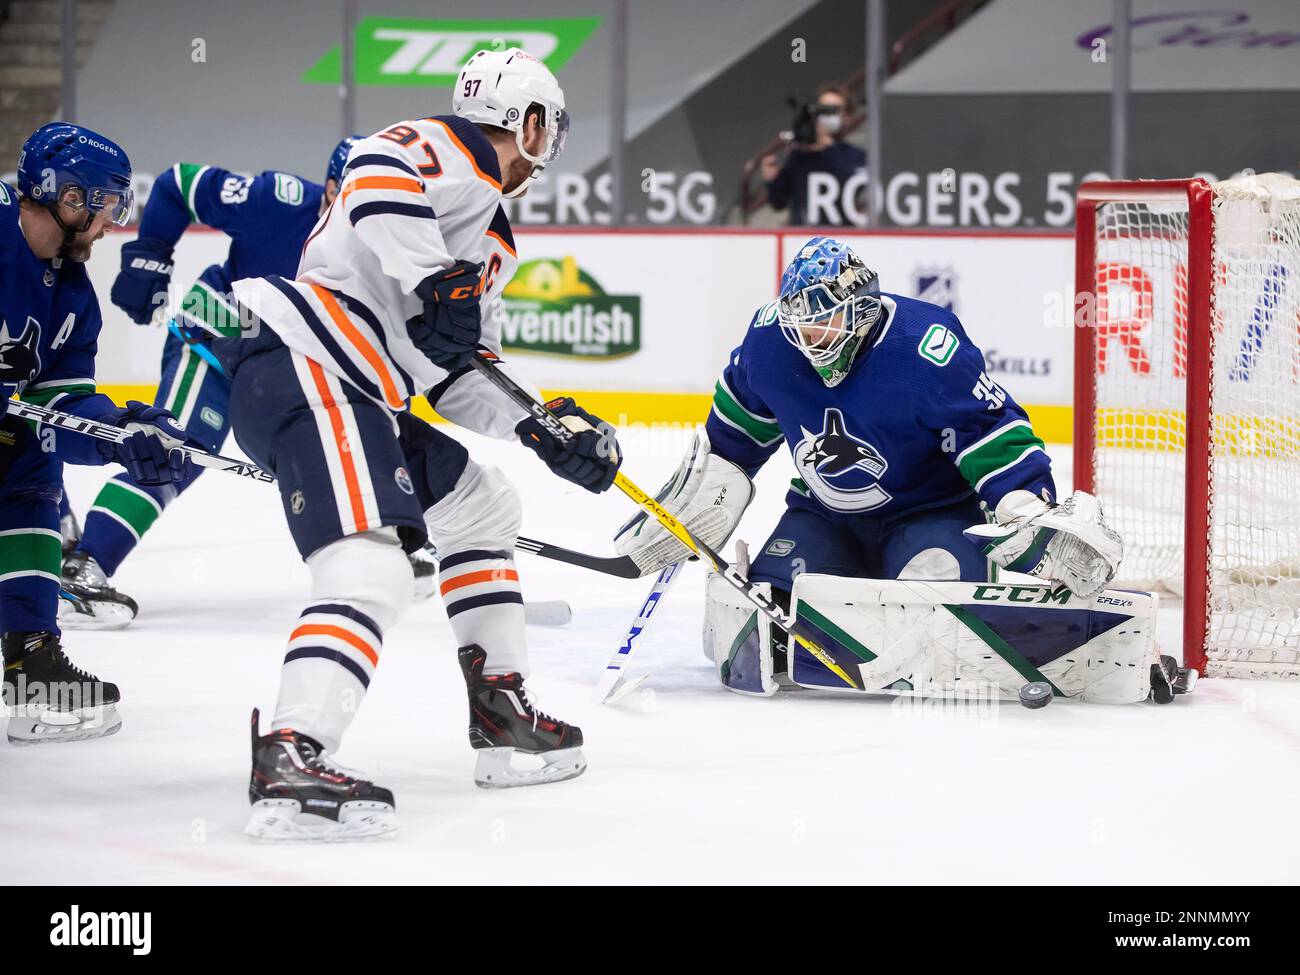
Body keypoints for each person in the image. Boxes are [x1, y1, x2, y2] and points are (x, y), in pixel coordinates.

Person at [223, 48, 621, 841]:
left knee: (482, 507)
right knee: (371, 565)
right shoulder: (452, 150)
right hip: (309, 360)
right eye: (552, 129)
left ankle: (499, 704)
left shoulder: (492, 239)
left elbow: (454, 368)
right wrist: (437, 276)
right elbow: (372, 167)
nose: (552, 148)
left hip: (356, 384)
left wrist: (537, 425)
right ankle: (293, 750)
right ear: (530, 123)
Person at [616, 237, 1137, 689]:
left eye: (824, 322)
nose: (809, 338)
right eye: (801, 324)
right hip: (826, 515)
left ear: (861, 311)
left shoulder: (926, 347)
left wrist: (1022, 503)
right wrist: (697, 505)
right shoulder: (770, 343)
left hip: (930, 512)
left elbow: (990, 433)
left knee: (936, 595)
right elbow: (733, 441)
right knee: (766, 617)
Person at [59, 134, 455, 629]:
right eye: (356, 196)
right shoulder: (279, 201)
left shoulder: (387, 246)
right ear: (331, 188)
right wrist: (149, 253)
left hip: (290, 366)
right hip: (217, 340)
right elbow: (179, 183)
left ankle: (389, 542)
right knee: (174, 450)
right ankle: (85, 565)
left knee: (363, 437)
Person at [0, 123, 193, 743]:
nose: (113, 224)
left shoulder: (76, 298)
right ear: (69, 196)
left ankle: (30, 658)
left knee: (31, 475)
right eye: (106, 205)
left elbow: (62, 406)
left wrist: (120, 430)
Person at [760, 83, 865, 225]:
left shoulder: (857, 156)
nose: (827, 116)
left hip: (841, 240)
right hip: (803, 240)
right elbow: (778, 202)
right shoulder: (800, 156)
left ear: (847, 116)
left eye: (834, 110)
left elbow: (853, 189)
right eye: (823, 109)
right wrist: (772, 180)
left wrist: (828, 147)